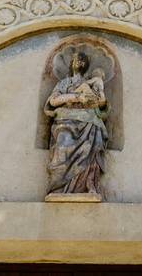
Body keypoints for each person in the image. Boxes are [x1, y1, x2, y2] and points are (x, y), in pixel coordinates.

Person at [43, 50, 110, 198]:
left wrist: (100, 97)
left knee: (95, 145)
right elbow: (53, 101)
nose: (79, 62)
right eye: (75, 60)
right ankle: (59, 188)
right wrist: (77, 97)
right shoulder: (64, 83)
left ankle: (89, 185)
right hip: (66, 121)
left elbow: (101, 103)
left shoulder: (92, 82)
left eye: (82, 60)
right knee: (63, 144)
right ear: (71, 64)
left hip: (90, 121)